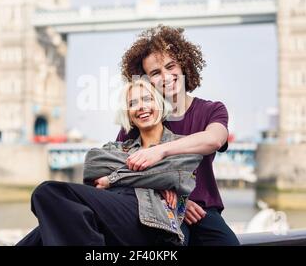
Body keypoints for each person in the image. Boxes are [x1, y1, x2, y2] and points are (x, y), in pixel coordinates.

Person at [16, 79, 202, 246]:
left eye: (147, 99)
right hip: (112, 212)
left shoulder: (179, 144)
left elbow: (176, 175)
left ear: (160, 105)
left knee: (47, 192)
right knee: (47, 228)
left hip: (152, 222)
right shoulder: (118, 147)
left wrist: (111, 179)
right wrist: (153, 178)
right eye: (133, 103)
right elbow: (92, 165)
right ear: (128, 114)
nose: (141, 107)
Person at [117, 25, 240, 246]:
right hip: (158, 209)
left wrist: (160, 150)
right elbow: (118, 171)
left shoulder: (212, 110)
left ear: (183, 65)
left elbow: (214, 139)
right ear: (146, 80)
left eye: (170, 66)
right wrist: (180, 201)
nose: (166, 76)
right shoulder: (141, 116)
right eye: (155, 73)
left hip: (203, 212)